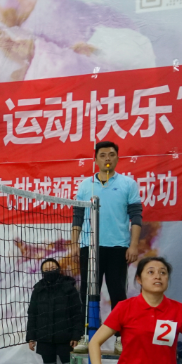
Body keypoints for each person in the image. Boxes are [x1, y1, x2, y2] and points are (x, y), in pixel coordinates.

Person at [68, 140, 144, 327]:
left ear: (117, 158)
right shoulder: (85, 185)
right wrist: (74, 243)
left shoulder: (128, 184)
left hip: (118, 247)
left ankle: (119, 335)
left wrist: (134, 245)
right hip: (89, 247)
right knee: (87, 293)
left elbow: (136, 216)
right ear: (95, 160)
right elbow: (77, 216)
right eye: (102, 156)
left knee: (118, 293)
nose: (107, 159)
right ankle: (87, 333)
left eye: (111, 155)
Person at [27, 257, 82, 364]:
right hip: (45, 339)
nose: (50, 271)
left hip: (66, 339)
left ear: (59, 270)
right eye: (46, 269)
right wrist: (31, 337)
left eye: (53, 268)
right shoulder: (38, 290)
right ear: (42, 272)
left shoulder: (69, 288)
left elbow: (77, 313)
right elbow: (32, 314)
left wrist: (76, 335)